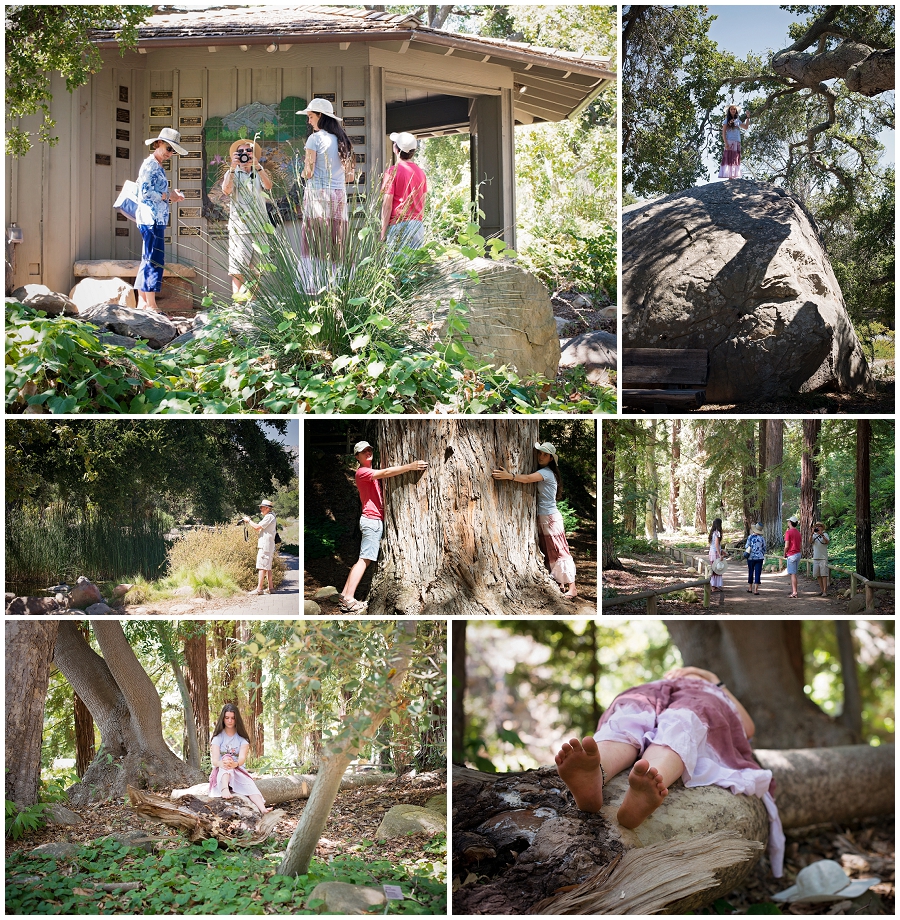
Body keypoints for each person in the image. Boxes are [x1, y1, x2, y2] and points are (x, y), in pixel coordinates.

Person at [555, 666, 784, 877]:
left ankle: (643, 777)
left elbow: (748, 726)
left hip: (701, 700)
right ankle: (598, 771)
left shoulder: (712, 690)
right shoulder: (662, 684)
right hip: (649, 693)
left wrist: (713, 681)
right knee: (632, 716)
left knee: (682, 720)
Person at [337, 440, 428, 613]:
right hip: (371, 521)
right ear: (357, 456)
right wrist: (411, 466)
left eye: (370, 449)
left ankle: (344, 596)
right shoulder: (363, 472)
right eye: (363, 451)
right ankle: (349, 598)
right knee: (364, 560)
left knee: (363, 559)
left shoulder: (369, 471)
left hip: (372, 520)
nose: (368, 452)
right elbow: (386, 472)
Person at [492, 442, 577, 599]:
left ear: (551, 458)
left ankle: (572, 587)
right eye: (540, 453)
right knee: (550, 552)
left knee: (560, 551)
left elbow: (527, 479)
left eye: (545, 454)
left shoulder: (546, 472)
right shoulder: (546, 471)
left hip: (551, 519)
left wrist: (509, 476)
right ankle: (561, 583)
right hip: (544, 518)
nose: (541, 456)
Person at [296, 98, 355, 292]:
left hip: (318, 195)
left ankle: (315, 284)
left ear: (321, 116)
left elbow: (309, 171)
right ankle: (338, 283)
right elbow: (350, 177)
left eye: (311, 116)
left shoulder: (315, 138)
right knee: (337, 242)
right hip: (338, 195)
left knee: (315, 243)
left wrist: (301, 173)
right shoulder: (343, 140)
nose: (309, 121)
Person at [135, 128, 186, 311]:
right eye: (168, 147)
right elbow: (146, 192)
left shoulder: (156, 165)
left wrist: (171, 197)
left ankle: (142, 302)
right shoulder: (150, 165)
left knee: (147, 257)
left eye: (173, 150)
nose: (170, 153)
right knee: (154, 259)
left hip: (153, 218)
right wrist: (168, 195)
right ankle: (151, 304)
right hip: (151, 219)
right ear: (157, 144)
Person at [222, 138, 274, 296]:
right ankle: (239, 303)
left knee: (257, 268)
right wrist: (232, 167)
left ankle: (254, 303)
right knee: (238, 267)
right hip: (240, 227)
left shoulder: (259, 171)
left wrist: (257, 166)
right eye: (241, 152)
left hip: (259, 226)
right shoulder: (232, 172)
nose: (245, 154)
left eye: (248, 151)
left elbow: (268, 186)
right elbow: (226, 190)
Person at [208, 703, 271, 815]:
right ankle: (224, 788)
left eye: (233, 718)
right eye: (227, 718)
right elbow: (214, 761)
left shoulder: (242, 739)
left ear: (237, 719)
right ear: (223, 718)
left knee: (250, 785)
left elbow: (242, 759)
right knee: (226, 759)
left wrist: (235, 764)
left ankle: (263, 809)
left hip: (238, 770)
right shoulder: (218, 738)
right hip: (221, 772)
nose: (230, 721)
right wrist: (222, 763)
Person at [381, 132, 428, 250]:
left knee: (395, 266)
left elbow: (387, 205)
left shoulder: (392, 172)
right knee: (414, 267)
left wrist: (382, 233)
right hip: (417, 225)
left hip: (398, 225)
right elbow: (423, 201)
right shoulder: (421, 173)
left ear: (396, 149)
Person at [243, 499, 277, 595]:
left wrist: (249, 521)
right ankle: (271, 588)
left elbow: (257, 527)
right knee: (268, 567)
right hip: (269, 545)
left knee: (262, 567)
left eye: (261, 507)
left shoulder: (268, 517)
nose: (260, 509)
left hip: (265, 546)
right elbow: (260, 528)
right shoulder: (271, 516)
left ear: (267, 508)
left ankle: (259, 589)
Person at [718, 104, 750, 180]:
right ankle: (730, 177)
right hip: (730, 141)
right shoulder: (726, 121)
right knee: (729, 157)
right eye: (731, 109)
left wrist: (748, 117)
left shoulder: (738, 121)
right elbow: (723, 133)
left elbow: (746, 127)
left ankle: (733, 175)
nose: (733, 110)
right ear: (729, 111)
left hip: (737, 141)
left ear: (736, 111)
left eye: (734, 109)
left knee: (735, 158)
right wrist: (725, 143)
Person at [745, 522, 766, 595]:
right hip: (759, 558)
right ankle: (756, 590)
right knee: (757, 573)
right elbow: (764, 548)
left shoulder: (750, 537)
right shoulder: (762, 538)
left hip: (751, 557)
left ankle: (750, 588)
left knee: (751, 572)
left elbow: (747, 546)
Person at [784, 516, 802, 598]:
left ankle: (794, 592)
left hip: (791, 554)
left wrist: (785, 553)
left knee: (793, 574)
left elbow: (786, 546)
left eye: (788, 522)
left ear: (790, 522)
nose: (788, 523)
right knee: (794, 573)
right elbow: (800, 545)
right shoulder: (798, 532)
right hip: (798, 554)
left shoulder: (788, 532)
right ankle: (794, 590)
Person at [811, 521, 831, 596]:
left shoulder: (825, 534)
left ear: (822, 527)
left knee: (824, 575)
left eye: (819, 526)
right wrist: (812, 533)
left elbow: (827, 542)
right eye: (817, 526)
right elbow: (810, 541)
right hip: (816, 557)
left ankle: (825, 591)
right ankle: (822, 590)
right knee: (818, 575)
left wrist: (821, 534)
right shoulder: (813, 535)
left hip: (823, 558)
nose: (818, 527)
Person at [709, 517, 724, 592]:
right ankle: (714, 586)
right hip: (715, 553)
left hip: (711, 552)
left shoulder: (713, 532)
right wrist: (720, 554)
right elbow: (716, 544)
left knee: (714, 568)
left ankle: (714, 586)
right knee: (717, 569)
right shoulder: (717, 532)